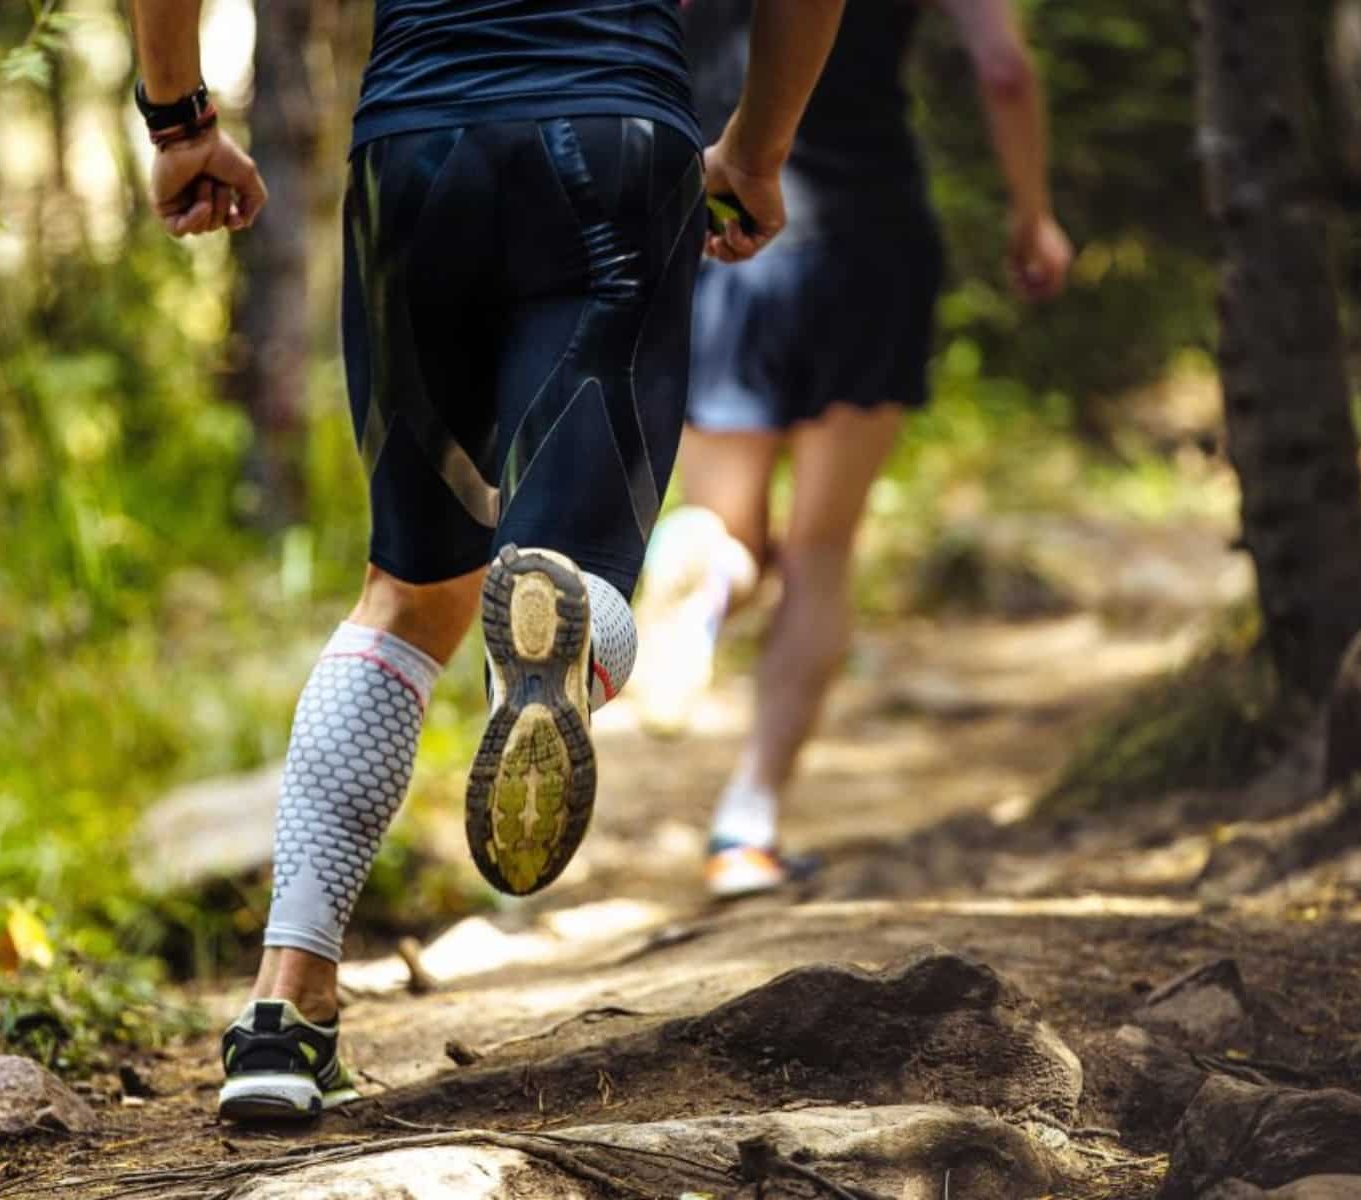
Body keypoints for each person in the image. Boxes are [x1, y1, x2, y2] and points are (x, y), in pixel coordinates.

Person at [125, 0, 849, 1120]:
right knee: (577, 565)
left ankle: (285, 1009)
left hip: (415, 153)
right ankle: (565, 625)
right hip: (614, 146)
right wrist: (756, 146)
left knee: (407, 595)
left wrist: (178, 121)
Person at [629, 0, 1076, 899]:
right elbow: (1005, 70)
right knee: (822, 552)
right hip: (866, 235)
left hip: (719, 223)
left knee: (728, 525)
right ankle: (746, 826)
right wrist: (1032, 215)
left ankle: (702, 575)